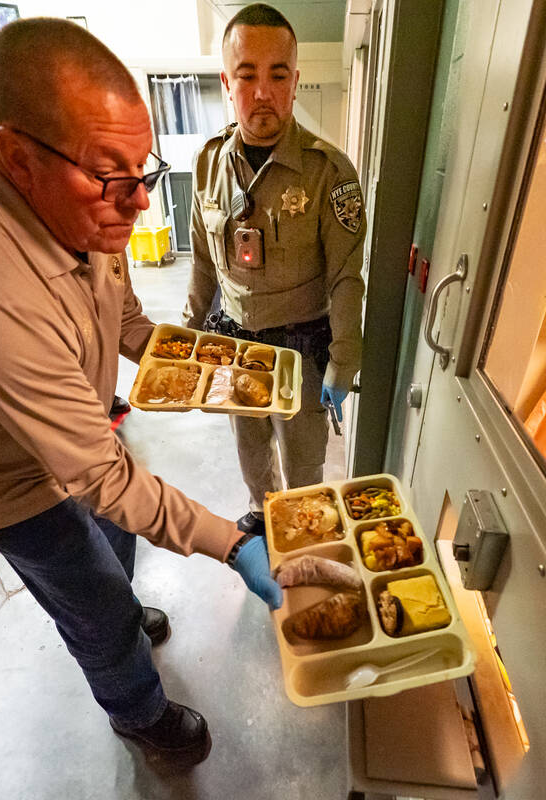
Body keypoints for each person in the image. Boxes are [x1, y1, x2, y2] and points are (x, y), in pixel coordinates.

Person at [0, 18, 281, 767]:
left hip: (74, 421)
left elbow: (124, 318)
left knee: (116, 544)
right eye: (109, 175)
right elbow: (99, 476)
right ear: (17, 157)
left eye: (142, 170)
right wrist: (234, 544)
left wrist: (217, 365)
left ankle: (122, 612)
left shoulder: (84, 207)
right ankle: (136, 710)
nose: (135, 203)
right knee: (90, 595)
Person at [184, 4, 366, 536]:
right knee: (249, 444)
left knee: (304, 459)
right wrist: (189, 332)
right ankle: (263, 512)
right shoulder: (207, 163)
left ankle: (303, 524)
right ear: (227, 82)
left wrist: (343, 362)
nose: (262, 91)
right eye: (247, 75)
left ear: (294, 82)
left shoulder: (329, 172)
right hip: (237, 347)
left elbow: (346, 277)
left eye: (277, 75)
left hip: (303, 351)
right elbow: (200, 260)